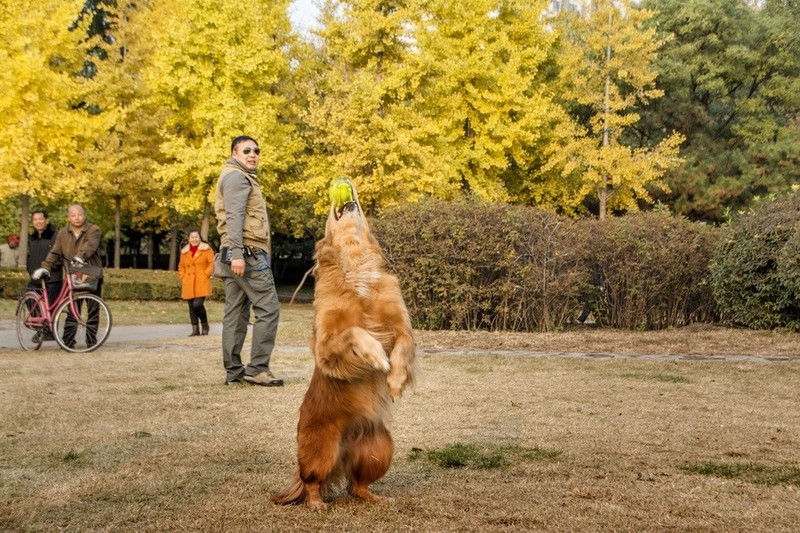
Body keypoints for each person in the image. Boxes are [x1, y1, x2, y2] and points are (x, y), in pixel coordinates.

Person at [214, 135, 283, 386]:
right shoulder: (236, 177)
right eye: (246, 150)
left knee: (236, 312)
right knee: (269, 307)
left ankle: (234, 372)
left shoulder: (237, 176)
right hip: (246, 254)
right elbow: (234, 217)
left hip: (237, 254)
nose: (253, 154)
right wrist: (237, 254)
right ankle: (257, 369)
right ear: (235, 153)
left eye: (256, 150)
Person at [32, 204, 103, 348]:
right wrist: (45, 267)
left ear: (84, 215)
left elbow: (90, 246)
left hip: (91, 273)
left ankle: (91, 341)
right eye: (73, 215)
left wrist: (80, 257)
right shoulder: (63, 233)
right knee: (72, 307)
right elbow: (55, 252)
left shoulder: (93, 229)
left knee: (93, 308)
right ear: (69, 218)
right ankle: (68, 341)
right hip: (73, 274)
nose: (77, 218)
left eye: (79, 214)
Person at [178, 230, 214, 336]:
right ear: (189, 239)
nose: (194, 239)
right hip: (188, 282)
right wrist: (183, 276)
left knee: (197, 304)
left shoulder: (206, 249)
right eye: (192, 237)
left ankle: (205, 325)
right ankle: (195, 329)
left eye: (196, 237)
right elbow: (181, 266)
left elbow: (212, 263)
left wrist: (206, 274)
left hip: (201, 282)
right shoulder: (184, 252)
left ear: (200, 238)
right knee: (191, 306)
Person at [27, 210, 63, 310]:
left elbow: (61, 256)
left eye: (40, 219)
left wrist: (52, 267)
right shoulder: (32, 238)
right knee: (31, 304)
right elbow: (29, 256)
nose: (38, 222)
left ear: (46, 220)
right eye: (35, 219)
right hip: (35, 279)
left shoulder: (56, 236)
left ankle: (49, 326)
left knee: (51, 310)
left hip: (52, 279)